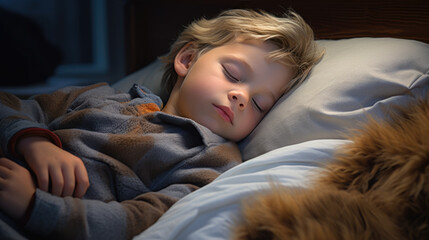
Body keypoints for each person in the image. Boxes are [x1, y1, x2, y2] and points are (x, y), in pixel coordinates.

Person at [0, 9, 323, 240]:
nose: (241, 96)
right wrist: (35, 142)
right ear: (187, 60)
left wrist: (35, 205)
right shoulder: (99, 96)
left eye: (258, 104)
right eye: (233, 75)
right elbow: (10, 104)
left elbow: (140, 222)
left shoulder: (210, 161)